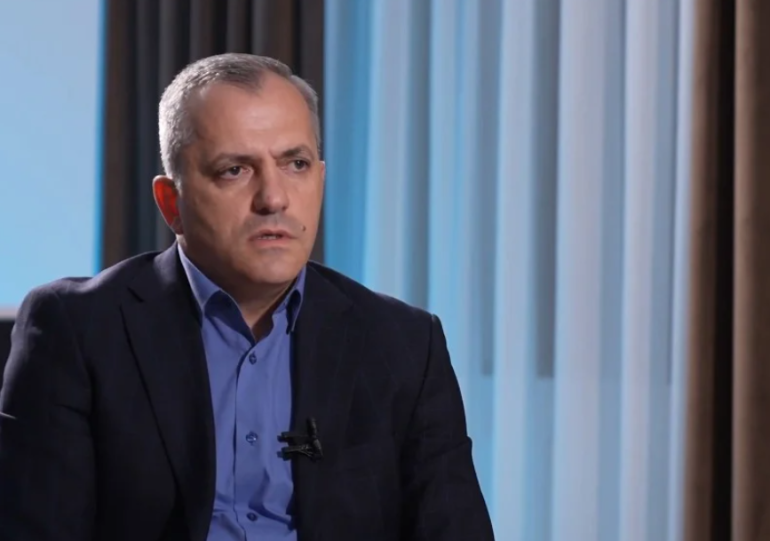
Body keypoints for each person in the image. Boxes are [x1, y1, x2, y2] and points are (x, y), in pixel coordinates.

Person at [0, 53, 494, 541]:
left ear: (320, 180)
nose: (274, 198)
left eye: (296, 164)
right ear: (172, 203)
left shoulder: (405, 344)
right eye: (235, 170)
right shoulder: (77, 330)